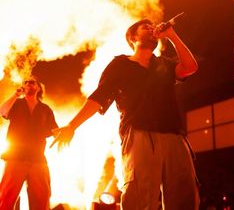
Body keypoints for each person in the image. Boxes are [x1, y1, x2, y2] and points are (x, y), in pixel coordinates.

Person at [51, 19, 200, 210]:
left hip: (174, 135)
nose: (151, 28)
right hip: (139, 133)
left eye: (152, 26)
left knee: (184, 193)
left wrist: (171, 35)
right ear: (132, 38)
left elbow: (190, 67)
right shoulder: (120, 64)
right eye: (145, 27)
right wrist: (72, 125)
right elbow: (99, 97)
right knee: (140, 194)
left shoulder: (164, 64)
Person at [0, 76, 58, 210]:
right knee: (5, 198)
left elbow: (54, 130)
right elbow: (2, 111)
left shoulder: (45, 109)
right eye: (25, 82)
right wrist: (16, 94)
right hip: (15, 157)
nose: (27, 84)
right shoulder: (17, 103)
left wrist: (65, 132)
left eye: (31, 82)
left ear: (38, 87)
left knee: (42, 199)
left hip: (37, 158)